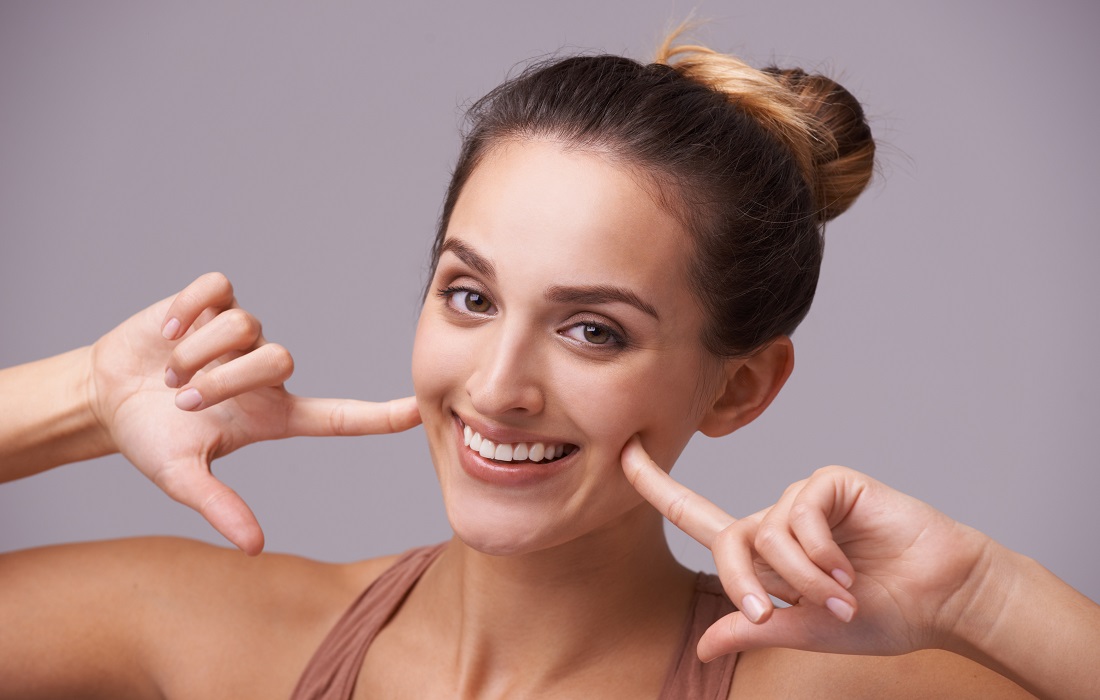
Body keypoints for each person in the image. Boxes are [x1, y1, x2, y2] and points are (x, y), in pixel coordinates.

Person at [1, 31, 1097, 700]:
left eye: (592, 330)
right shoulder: (221, 638)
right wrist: (81, 401)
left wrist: (982, 595)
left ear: (737, 387)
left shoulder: (819, 685)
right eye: (469, 298)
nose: (497, 385)